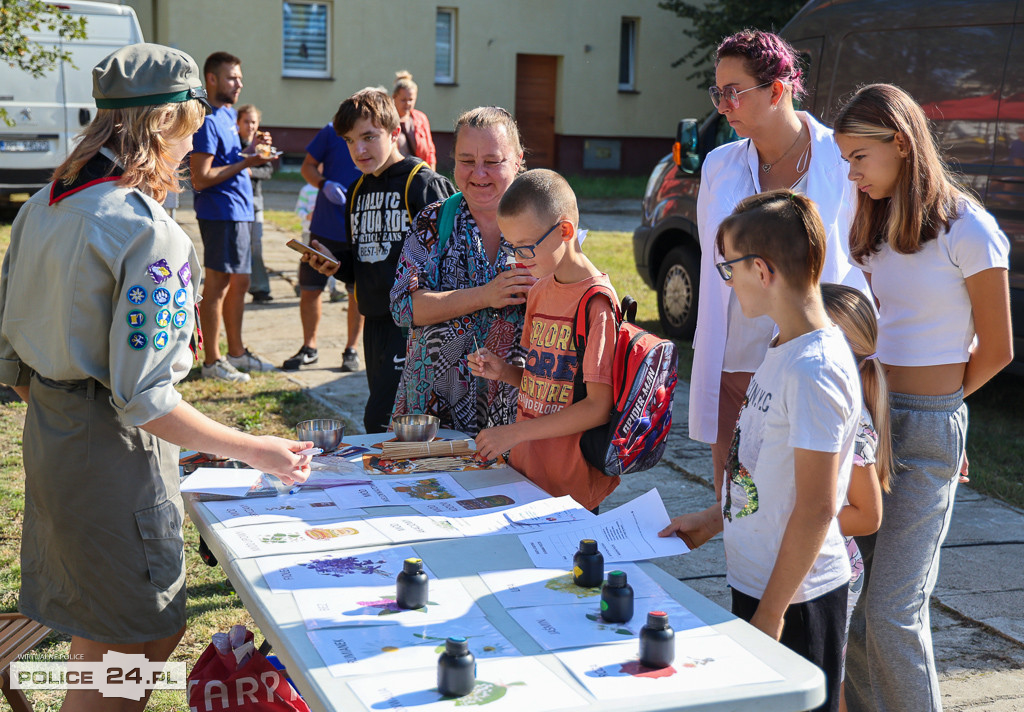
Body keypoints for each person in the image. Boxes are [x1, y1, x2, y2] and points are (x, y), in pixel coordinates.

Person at [0, 44, 313, 712]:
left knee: (108, 626)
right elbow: (143, 397)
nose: (200, 131)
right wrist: (258, 449)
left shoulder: (39, 208)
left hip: (52, 439)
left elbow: (13, 363)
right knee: (143, 626)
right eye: (197, 115)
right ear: (173, 119)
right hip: (113, 457)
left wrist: (76, 415)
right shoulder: (148, 232)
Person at [834, 83, 1013, 712]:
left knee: (892, 613)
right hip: (869, 423)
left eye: (859, 157)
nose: (851, 174)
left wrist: (946, 413)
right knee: (851, 604)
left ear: (902, 145)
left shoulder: (970, 230)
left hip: (928, 427)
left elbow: (997, 349)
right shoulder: (873, 222)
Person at [660, 191, 861, 712]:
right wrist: (713, 518)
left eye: (730, 269)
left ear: (763, 271)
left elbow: (817, 507)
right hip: (759, 583)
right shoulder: (781, 345)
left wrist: (771, 615)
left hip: (797, 598)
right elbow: (766, 473)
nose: (725, 283)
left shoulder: (815, 370)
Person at [689, 29, 868, 503]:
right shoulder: (718, 166)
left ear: (776, 89)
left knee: (802, 495)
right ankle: (745, 574)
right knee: (737, 499)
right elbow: (714, 263)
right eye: (717, 92)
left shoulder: (839, 157)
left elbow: (862, 259)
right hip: (737, 357)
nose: (723, 105)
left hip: (813, 357)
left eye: (733, 92)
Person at [304, 87, 453, 433]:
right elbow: (364, 262)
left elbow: (448, 264)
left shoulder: (424, 185)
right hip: (374, 324)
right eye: (349, 141)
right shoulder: (357, 190)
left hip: (414, 328)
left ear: (395, 132)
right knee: (385, 424)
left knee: (387, 421)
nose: (359, 149)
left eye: (369, 137)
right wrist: (336, 264)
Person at [469, 169, 619, 512]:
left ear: (565, 231)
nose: (519, 259)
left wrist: (515, 433)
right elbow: (544, 383)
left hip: (570, 486)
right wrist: (504, 371)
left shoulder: (597, 304)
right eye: (513, 248)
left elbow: (598, 407)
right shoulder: (538, 291)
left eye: (526, 248)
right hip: (527, 472)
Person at [390, 106, 534, 435]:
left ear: (517, 160)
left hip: (518, 414)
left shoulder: (544, 225)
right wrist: (486, 295)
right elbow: (403, 306)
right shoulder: (433, 221)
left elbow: (572, 303)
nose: (478, 174)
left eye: (493, 161)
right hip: (433, 413)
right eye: (467, 161)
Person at [820, 283, 894, 712]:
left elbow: (868, 515)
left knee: (829, 688)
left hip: (832, 571)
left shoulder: (853, 416)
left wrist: (800, 519)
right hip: (812, 561)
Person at [190, 51, 275, 383]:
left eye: (239, 77)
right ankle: (212, 362)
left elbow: (235, 156)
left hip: (241, 211)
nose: (239, 83)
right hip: (220, 214)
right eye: (231, 78)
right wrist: (247, 162)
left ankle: (236, 354)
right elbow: (200, 177)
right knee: (217, 286)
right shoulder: (209, 119)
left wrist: (253, 147)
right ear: (211, 79)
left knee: (240, 283)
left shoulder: (227, 115)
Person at [283, 120, 363, 371]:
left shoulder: (373, 135)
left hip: (360, 228)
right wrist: (323, 184)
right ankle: (310, 347)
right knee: (310, 288)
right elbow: (307, 167)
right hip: (325, 225)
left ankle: (351, 350)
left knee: (356, 294)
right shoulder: (331, 131)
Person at [236, 103, 275, 304]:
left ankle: (260, 288)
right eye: (246, 122)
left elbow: (267, 170)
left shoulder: (261, 144)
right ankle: (239, 287)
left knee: (256, 246)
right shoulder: (233, 142)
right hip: (236, 202)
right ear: (238, 122)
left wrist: (250, 171)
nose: (250, 126)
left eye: (254, 122)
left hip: (254, 202)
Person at [392, 70, 437, 169]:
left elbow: (430, 150)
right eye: (403, 100)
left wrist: (432, 173)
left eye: (411, 99)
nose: (408, 103)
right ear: (394, 97)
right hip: (396, 174)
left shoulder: (421, 118)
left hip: (419, 173)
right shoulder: (387, 120)